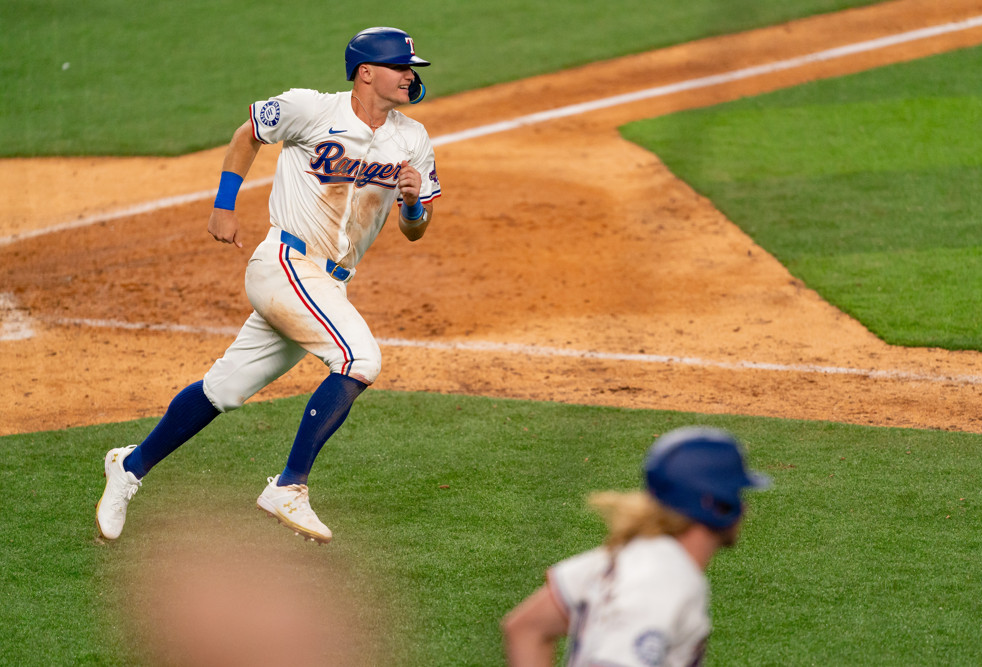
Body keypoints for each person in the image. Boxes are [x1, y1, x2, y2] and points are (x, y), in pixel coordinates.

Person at [95, 26, 441, 544]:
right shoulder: (311, 109)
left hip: (328, 285)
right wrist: (224, 206)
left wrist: (411, 204)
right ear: (366, 73)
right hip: (284, 264)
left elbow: (415, 230)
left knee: (223, 390)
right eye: (400, 67)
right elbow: (248, 135)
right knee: (359, 359)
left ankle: (128, 467)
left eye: (412, 69)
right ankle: (289, 486)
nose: (410, 76)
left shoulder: (413, 139)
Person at [502, 426, 770, 667]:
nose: (745, 507)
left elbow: (526, 629)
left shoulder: (624, 557)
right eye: (737, 495)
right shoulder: (664, 583)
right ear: (717, 506)